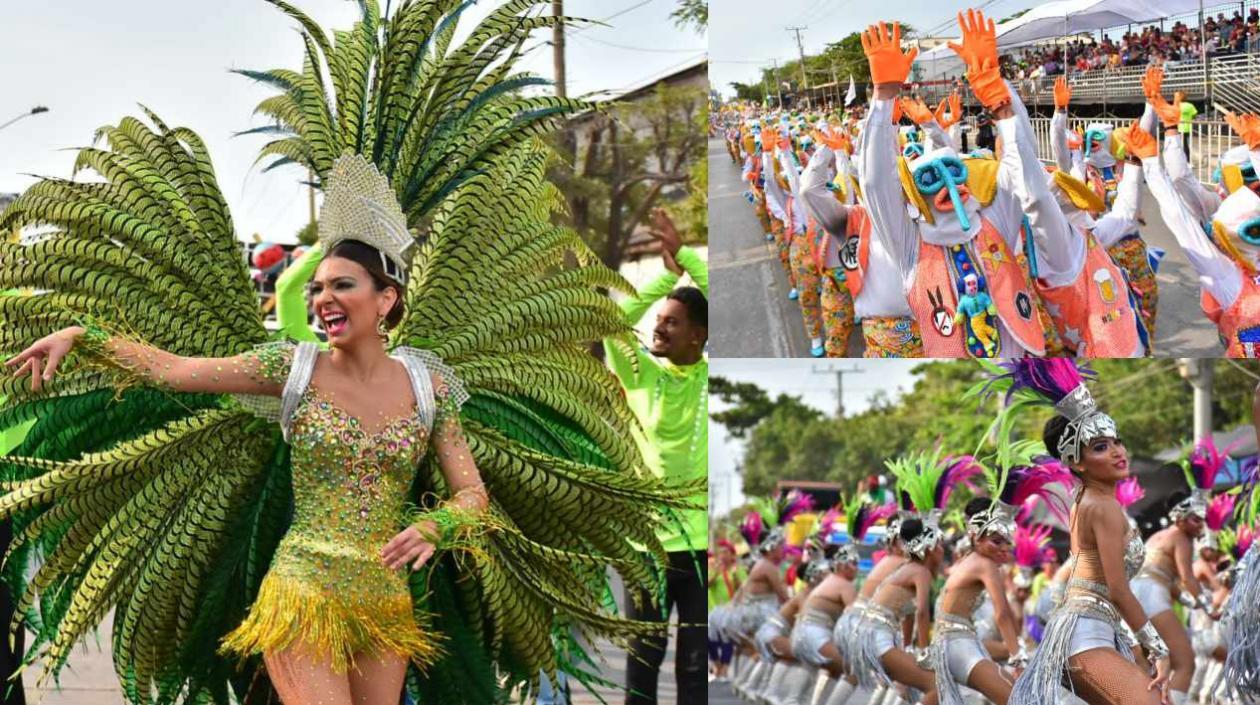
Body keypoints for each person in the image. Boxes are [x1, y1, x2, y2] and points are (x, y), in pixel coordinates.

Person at [0, 5, 698, 704]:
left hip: (387, 606)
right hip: (303, 592)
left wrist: (437, 522)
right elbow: (174, 370)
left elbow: (474, 495)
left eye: (343, 286)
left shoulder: (428, 383)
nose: (323, 298)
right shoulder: (291, 368)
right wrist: (83, 337)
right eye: (319, 288)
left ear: (386, 299)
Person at [993, 359, 1171, 705]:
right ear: (1077, 462)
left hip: (1093, 632)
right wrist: (1158, 649)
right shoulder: (1099, 506)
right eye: (1100, 446)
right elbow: (1117, 590)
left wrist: (1135, 650)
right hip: (1082, 638)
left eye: (1116, 441)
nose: (1118, 451)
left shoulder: (1089, 499)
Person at [605, 206, 708, 705]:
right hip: (648, 546)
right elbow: (611, 322)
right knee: (643, 663)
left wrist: (688, 254)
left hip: (704, 549)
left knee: (695, 667)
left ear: (700, 335)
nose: (658, 329)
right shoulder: (641, 375)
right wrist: (667, 277)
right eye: (658, 321)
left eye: (672, 322)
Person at [709, 540, 746, 682]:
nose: (722, 556)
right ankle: (717, 663)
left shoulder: (738, 570)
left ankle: (724, 668)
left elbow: (743, 589)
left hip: (730, 611)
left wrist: (736, 576)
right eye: (721, 553)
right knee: (709, 639)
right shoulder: (714, 569)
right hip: (713, 611)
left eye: (726, 552)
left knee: (727, 639)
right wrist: (716, 572)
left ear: (732, 555)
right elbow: (707, 584)